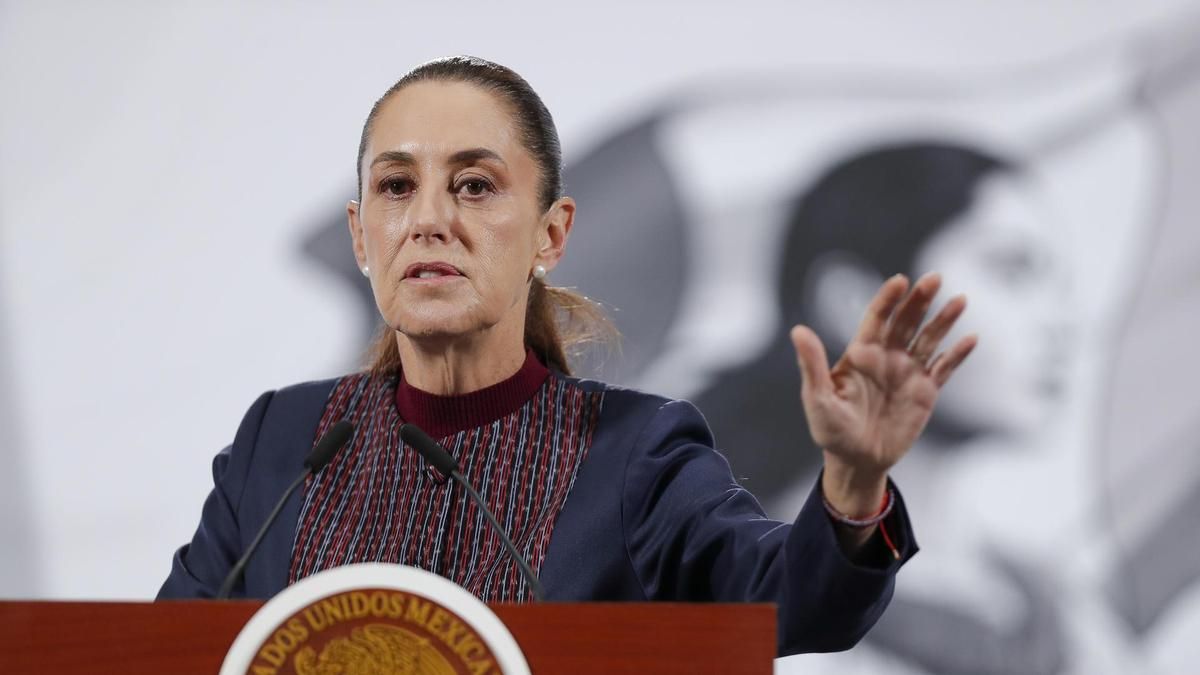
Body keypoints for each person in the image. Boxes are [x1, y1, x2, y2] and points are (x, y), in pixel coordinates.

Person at [157, 56, 976, 656]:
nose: (429, 219)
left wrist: (854, 485)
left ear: (551, 235)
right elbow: (163, 651)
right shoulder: (283, 441)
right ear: (360, 235)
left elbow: (793, 602)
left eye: (475, 185)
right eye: (396, 186)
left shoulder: (632, 453)